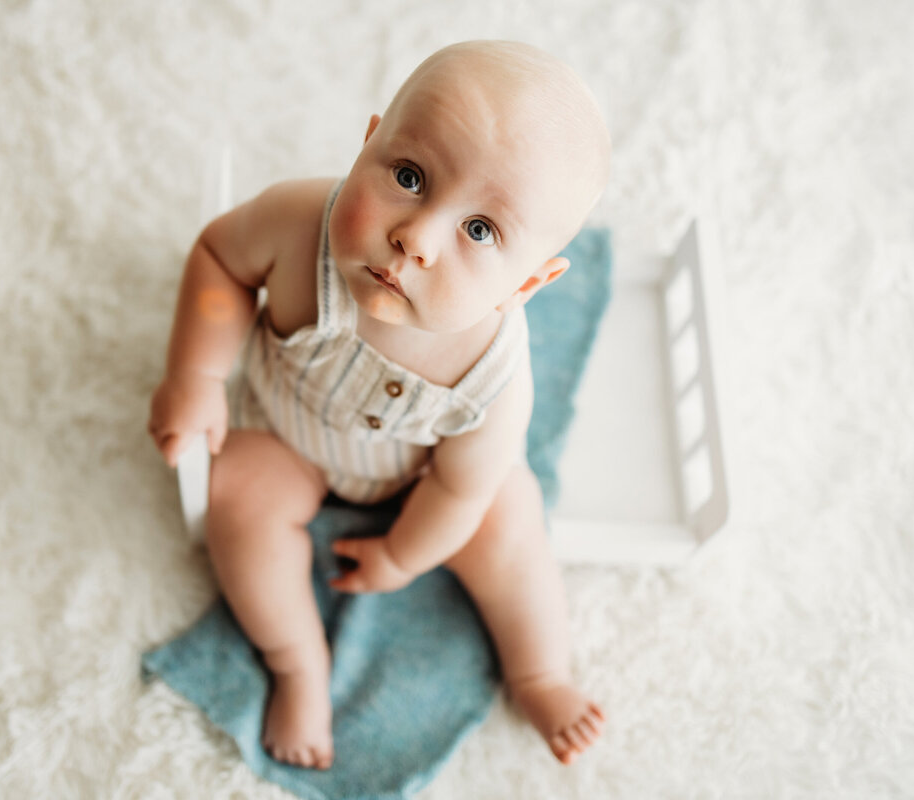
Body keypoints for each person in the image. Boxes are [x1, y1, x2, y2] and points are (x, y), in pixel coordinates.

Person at [148, 40, 610, 770]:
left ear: (528, 284)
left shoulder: (494, 375)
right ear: (369, 142)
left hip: (420, 479)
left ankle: (540, 671)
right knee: (238, 499)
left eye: (481, 231)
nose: (416, 237)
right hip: (285, 432)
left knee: (509, 519)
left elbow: (462, 486)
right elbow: (218, 261)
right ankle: (298, 663)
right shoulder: (299, 227)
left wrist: (402, 553)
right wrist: (198, 374)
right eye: (409, 175)